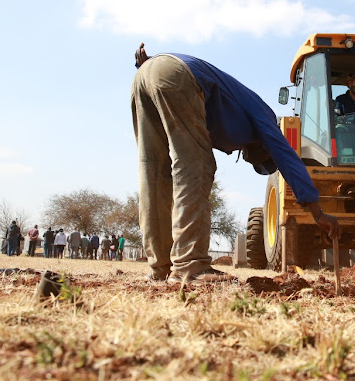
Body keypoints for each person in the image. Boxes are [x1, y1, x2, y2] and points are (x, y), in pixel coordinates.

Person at [132, 45, 340, 283]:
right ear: (264, 151)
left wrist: (146, 69)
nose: (248, 158)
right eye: (259, 161)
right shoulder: (265, 116)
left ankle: (160, 267)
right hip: (175, 75)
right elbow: (287, 157)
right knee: (196, 166)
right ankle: (190, 265)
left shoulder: (232, 110)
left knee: (153, 170)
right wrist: (317, 212)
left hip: (148, 74)